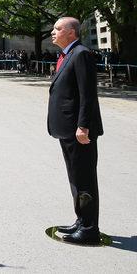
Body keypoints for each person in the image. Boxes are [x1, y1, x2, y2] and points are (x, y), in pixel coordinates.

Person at [48, 17, 104, 245]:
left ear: (71, 33)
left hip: (79, 131)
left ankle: (90, 229)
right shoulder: (66, 54)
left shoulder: (81, 54)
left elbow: (87, 95)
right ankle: (81, 220)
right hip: (67, 131)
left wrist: (83, 126)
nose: (53, 32)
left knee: (85, 179)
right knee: (76, 178)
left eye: (58, 29)